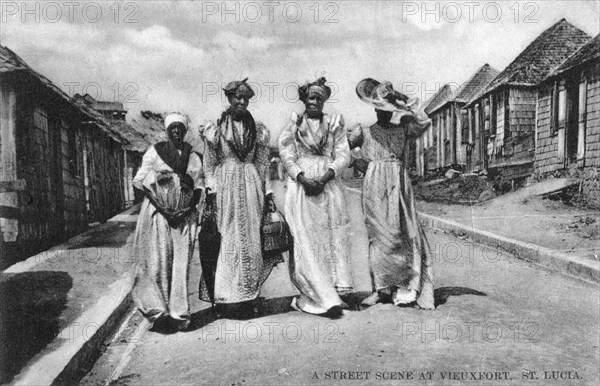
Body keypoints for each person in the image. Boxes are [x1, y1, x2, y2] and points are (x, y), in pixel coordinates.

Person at [200, 78, 280, 316]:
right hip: (226, 186)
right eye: (238, 97)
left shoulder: (258, 129)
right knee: (228, 240)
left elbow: (262, 164)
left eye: (246, 98)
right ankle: (226, 298)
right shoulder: (215, 130)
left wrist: (266, 193)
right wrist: (212, 193)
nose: (242, 102)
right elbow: (209, 165)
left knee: (252, 239)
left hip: (251, 184)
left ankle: (249, 296)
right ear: (229, 98)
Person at [354, 78, 434, 310]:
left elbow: (424, 120)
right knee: (379, 236)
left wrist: (403, 99)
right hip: (374, 185)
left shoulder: (403, 130)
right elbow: (341, 149)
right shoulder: (365, 132)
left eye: (388, 110)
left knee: (402, 232)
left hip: (399, 183)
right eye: (380, 110)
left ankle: (404, 285)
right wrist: (362, 163)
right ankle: (379, 289)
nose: (383, 115)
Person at [278, 77, 353, 318]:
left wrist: (323, 178)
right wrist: (302, 178)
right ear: (304, 99)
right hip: (301, 189)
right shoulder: (295, 124)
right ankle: (312, 294)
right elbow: (287, 154)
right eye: (311, 97)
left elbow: (343, 155)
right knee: (305, 239)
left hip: (327, 187)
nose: (315, 102)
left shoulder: (334, 124)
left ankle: (329, 292)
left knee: (329, 237)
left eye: (319, 98)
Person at [131, 112, 204, 330]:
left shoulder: (193, 156)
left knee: (181, 265)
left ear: (185, 131)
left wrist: (186, 208)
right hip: (158, 214)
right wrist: (163, 207)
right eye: (172, 128)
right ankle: (159, 313)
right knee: (158, 262)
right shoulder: (155, 152)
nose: (176, 132)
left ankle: (179, 314)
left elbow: (199, 187)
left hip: (184, 216)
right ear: (167, 130)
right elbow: (141, 181)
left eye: (180, 129)